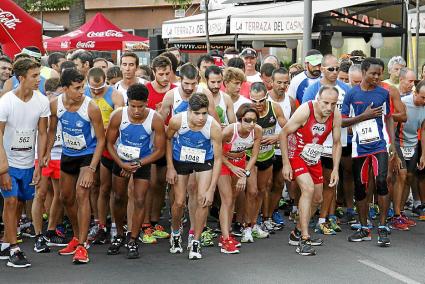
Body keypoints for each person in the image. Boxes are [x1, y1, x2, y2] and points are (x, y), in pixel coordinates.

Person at [45, 68, 105, 264]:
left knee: (82, 194)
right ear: (65, 89)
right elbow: (52, 130)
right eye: (77, 88)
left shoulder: (91, 108)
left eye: (83, 87)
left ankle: (82, 245)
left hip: (87, 155)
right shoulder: (55, 105)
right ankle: (78, 236)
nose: (82, 91)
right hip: (68, 154)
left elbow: (102, 140)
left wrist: (92, 168)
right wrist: (46, 152)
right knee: (65, 197)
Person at [281, 85, 342, 256]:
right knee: (307, 189)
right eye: (325, 103)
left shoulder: (335, 115)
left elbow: (337, 143)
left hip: (314, 157)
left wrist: (336, 169)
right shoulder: (305, 110)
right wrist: (286, 163)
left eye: (333, 104)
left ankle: (297, 232)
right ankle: (305, 239)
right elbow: (284, 133)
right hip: (297, 154)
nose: (329, 108)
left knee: (318, 198)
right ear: (318, 100)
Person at [341, 57, 396, 247]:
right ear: (363, 72)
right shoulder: (351, 94)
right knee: (361, 187)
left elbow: (388, 118)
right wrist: (363, 116)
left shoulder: (383, 93)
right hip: (359, 147)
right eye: (373, 73)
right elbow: (342, 121)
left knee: (382, 182)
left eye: (380, 74)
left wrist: (392, 144)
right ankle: (364, 228)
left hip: (379, 145)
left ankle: (382, 227)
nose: (377, 77)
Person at [0, 58, 50, 267]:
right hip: (8, 161)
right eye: (35, 76)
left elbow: (42, 132)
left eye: (39, 74)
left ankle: (6, 241)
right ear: (22, 78)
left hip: (28, 162)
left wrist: (39, 164)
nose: (39, 79)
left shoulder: (42, 101)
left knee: (19, 202)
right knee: (11, 201)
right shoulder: (6, 101)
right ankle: (14, 249)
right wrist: (3, 169)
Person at [106, 84, 165, 259]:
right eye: (133, 106)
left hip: (142, 161)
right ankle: (119, 234)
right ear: (127, 103)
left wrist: (138, 164)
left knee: (139, 200)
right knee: (118, 197)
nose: (137, 110)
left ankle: (133, 238)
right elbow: (109, 143)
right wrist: (122, 164)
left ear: (147, 103)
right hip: (121, 159)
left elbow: (160, 150)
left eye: (141, 106)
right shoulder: (118, 115)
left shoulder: (155, 119)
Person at [166, 92, 222, 260]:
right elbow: (166, 140)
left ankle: (196, 240)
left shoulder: (213, 127)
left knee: (203, 200)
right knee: (179, 201)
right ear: (189, 111)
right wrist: (170, 167)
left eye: (204, 113)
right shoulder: (177, 120)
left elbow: (218, 159)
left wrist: (212, 188)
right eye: (197, 113)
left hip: (203, 160)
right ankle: (175, 233)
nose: (201, 118)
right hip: (181, 159)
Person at [302, 54, 351, 234]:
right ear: (321, 69)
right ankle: (304, 218)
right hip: (313, 144)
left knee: (331, 182)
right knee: (311, 184)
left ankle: (324, 219)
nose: (335, 72)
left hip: (335, 143)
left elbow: (346, 116)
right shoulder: (312, 88)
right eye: (331, 69)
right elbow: (302, 115)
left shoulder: (346, 88)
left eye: (337, 68)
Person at [242, 82, 286, 241]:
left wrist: (276, 137)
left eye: (261, 100)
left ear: (267, 96)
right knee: (251, 191)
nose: (258, 104)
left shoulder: (275, 108)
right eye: (254, 101)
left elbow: (288, 129)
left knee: (261, 191)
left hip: (267, 156)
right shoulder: (246, 111)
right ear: (249, 98)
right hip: (249, 156)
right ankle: (246, 227)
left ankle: (254, 224)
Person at [85, 67, 125, 244]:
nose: (95, 92)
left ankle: (116, 225)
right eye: (92, 88)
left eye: (99, 88)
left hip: (111, 145)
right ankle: (100, 224)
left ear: (106, 81)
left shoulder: (115, 95)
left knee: (115, 190)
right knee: (98, 187)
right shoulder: (84, 93)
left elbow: (120, 119)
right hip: (91, 145)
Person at [218, 103, 262, 253]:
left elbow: (254, 155)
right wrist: (231, 167)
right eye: (247, 120)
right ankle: (225, 239)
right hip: (224, 162)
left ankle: (227, 233)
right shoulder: (230, 130)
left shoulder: (257, 131)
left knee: (234, 199)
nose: (251, 124)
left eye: (254, 120)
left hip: (241, 162)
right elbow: (216, 150)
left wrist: (245, 173)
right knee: (228, 199)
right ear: (240, 119)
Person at [141, 55, 176, 243]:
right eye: (161, 74)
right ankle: (145, 224)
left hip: (169, 144)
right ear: (153, 73)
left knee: (160, 185)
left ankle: (154, 222)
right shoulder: (146, 90)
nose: (165, 77)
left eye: (168, 73)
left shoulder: (176, 91)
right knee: (150, 184)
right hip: (150, 143)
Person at [32, 78, 68, 253]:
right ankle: (38, 236)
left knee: (60, 194)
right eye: (59, 94)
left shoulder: (67, 105)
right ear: (50, 93)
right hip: (43, 155)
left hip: (61, 155)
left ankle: (51, 230)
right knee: (40, 194)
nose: (61, 98)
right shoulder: (41, 105)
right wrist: (41, 154)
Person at [391, 81, 425, 229]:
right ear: (415, 93)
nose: (424, 101)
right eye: (422, 97)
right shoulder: (403, 103)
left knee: (410, 178)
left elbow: (423, 131)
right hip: (398, 142)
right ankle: (395, 214)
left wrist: (423, 155)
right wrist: (392, 149)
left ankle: (401, 211)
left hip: (413, 144)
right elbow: (391, 123)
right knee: (401, 175)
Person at [267, 68, 295, 226]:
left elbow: (294, 126)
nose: (282, 86)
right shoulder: (263, 99)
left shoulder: (290, 101)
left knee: (279, 184)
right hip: (265, 148)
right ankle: (262, 216)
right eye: (279, 82)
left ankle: (272, 213)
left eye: (286, 83)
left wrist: (278, 138)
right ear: (271, 82)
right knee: (266, 185)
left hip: (282, 148)